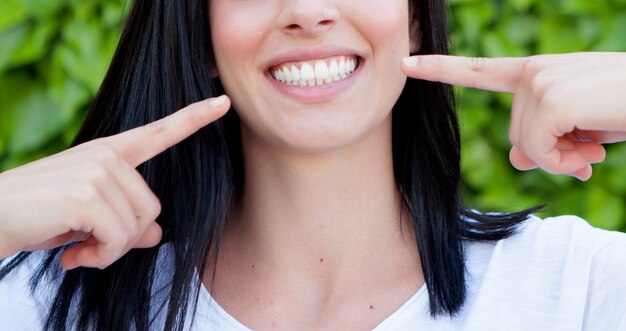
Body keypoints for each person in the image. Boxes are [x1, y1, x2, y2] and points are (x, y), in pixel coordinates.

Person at [1, 0, 625, 329]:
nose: (307, 9)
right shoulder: (47, 306)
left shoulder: (583, 287)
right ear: (202, 33)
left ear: (410, 16)